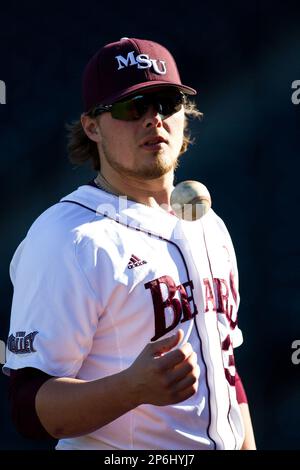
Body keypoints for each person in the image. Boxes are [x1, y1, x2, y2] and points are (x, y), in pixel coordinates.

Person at [4, 37, 256, 450]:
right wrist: (131, 389)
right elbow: (28, 408)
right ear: (91, 127)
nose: (153, 119)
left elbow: (225, 366)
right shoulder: (66, 237)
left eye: (167, 103)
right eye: (130, 106)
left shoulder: (208, 225)